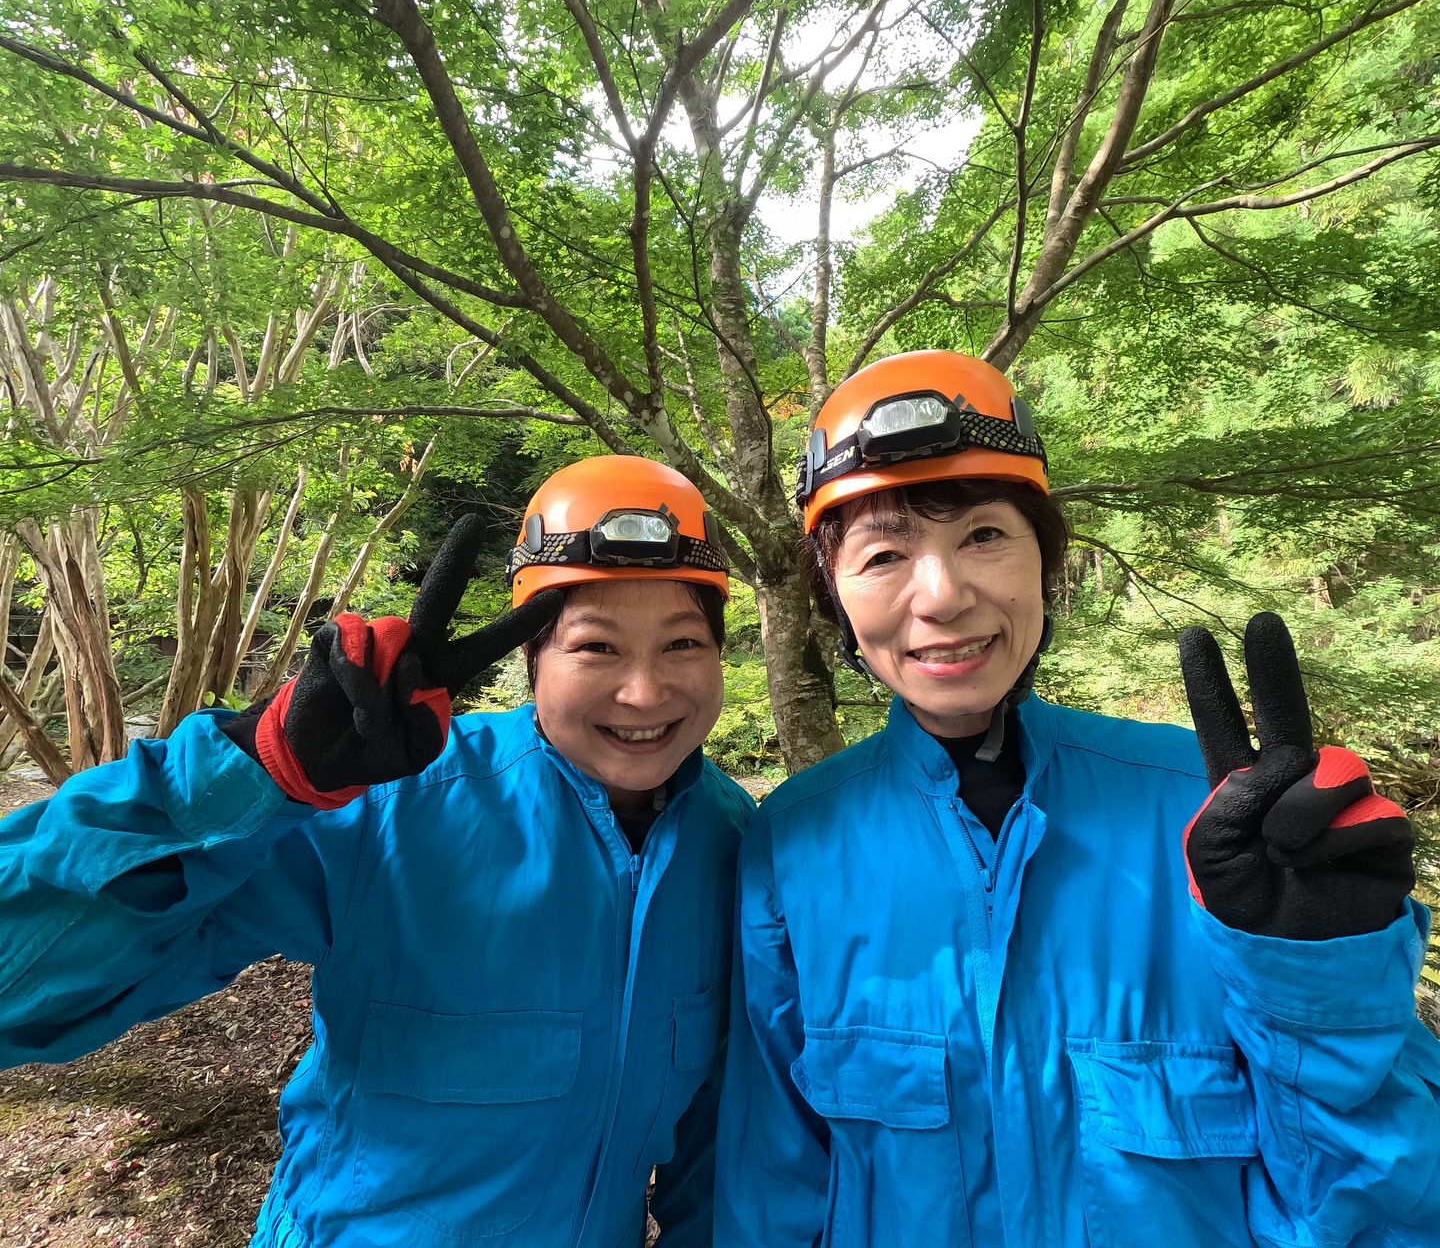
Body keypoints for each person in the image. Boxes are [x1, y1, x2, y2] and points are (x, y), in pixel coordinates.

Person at [713, 350, 1440, 1246]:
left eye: (984, 535)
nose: (940, 596)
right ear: (834, 598)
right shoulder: (793, 842)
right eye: (884, 553)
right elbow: (772, 1188)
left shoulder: (1216, 814)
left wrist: (1324, 981)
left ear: (1044, 565)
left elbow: (1384, 1203)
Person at [0, 455, 751, 1248]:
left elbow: (722, 1143)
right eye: (596, 647)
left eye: (682, 644)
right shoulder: (392, 802)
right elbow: (20, 981)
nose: (644, 690)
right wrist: (258, 771)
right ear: (531, 661)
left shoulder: (734, 841)